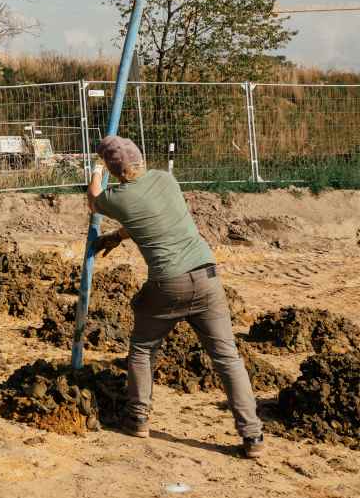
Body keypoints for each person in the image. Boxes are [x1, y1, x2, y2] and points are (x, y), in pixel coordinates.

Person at [86, 135, 264, 459]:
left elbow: (94, 199)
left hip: (168, 284)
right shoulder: (165, 180)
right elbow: (152, 217)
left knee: (142, 348)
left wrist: (96, 171)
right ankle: (252, 435)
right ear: (140, 160)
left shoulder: (117, 197)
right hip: (207, 277)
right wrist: (118, 236)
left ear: (113, 170)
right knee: (228, 359)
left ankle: (138, 419)